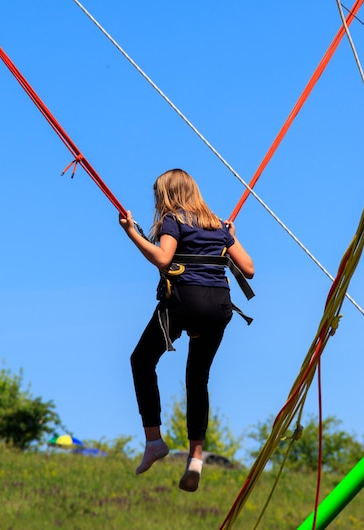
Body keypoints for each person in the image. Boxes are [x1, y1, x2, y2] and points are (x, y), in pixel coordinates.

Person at [119, 168, 254, 492]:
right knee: (197, 378)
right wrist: (231, 235)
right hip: (219, 308)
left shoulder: (173, 220)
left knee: (141, 360)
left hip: (184, 303)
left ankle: (154, 440)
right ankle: (195, 459)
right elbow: (248, 269)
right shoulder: (219, 225)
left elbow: (164, 259)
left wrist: (132, 234)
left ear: (167, 195)